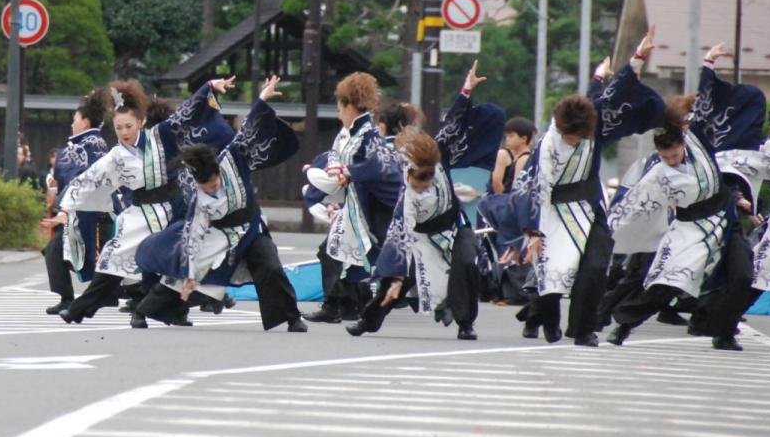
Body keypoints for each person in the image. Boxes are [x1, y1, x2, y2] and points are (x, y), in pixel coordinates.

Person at [500, 27, 666, 346]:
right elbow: (537, 190)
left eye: (579, 135)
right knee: (555, 272)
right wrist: (533, 234)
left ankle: (584, 328)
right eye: (569, 136)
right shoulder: (548, 145)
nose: (573, 140)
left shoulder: (592, 120)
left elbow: (612, 93)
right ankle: (547, 317)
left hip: (590, 204)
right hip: (554, 207)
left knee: (595, 268)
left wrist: (638, 56)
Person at [607, 44, 765, 351]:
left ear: (683, 140)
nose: (673, 160)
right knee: (668, 283)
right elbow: (638, 204)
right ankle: (624, 324)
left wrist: (708, 63)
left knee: (743, 275)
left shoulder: (700, 138)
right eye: (666, 157)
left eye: (676, 154)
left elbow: (708, 99)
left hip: (724, 218)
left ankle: (723, 331)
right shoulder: (657, 172)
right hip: (689, 227)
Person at [43, 78, 234, 327]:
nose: (124, 132)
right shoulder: (116, 155)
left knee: (180, 262)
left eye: (128, 126)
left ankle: (181, 309)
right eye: (119, 127)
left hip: (174, 209)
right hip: (140, 213)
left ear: (141, 122)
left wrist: (208, 87)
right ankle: (79, 310)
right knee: (113, 260)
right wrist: (66, 208)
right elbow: (87, 180)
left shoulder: (161, 135)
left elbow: (186, 114)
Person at [348, 62, 505, 341]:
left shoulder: (437, 152)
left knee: (467, 265)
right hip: (421, 235)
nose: (425, 183)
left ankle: (465, 323)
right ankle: (368, 321)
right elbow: (400, 238)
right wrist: (397, 279)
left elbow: (453, 122)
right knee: (394, 280)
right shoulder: (406, 194)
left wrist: (466, 90)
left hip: (455, 226)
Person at [135, 76, 306, 332]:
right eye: (205, 187)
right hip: (217, 233)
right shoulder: (196, 195)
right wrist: (191, 273)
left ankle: (293, 318)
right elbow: (192, 238)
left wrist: (261, 98)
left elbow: (249, 127)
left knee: (270, 266)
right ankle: (142, 312)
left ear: (217, 170)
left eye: (213, 184)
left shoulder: (233, 157)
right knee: (183, 276)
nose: (211, 188)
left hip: (249, 226)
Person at [303, 73, 403, 323]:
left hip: (370, 203)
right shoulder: (349, 131)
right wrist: (335, 170)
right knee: (337, 252)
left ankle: (339, 305)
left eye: (339, 107)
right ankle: (346, 303)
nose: (338, 113)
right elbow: (336, 153)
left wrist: (348, 172)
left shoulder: (369, 133)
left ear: (348, 105)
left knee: (338, 252)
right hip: (355, 201)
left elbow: (378, 166)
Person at [42, 90, 110, 315]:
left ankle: (70, 298)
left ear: (86, 122)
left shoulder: (82, 148)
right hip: (94, 209)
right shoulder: (98, 144)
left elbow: (76, 180)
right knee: (67, 252)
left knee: (60, 250)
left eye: (75, 120)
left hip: (84, 212)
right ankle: (81, 297)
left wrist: (63, 209)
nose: (72, 125)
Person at [491, 116, 536, 194]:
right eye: (506, 136)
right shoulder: (519, 157)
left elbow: (516, 188)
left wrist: (501, 201)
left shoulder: (523, 158)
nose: (507, 139)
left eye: (511, 136)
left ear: (524, 139)